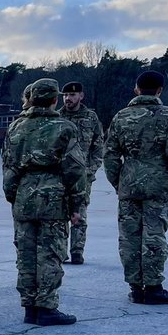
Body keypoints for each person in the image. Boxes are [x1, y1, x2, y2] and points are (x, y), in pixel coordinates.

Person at [1, 79, 86, 325]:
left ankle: (29, 306)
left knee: (26, 253)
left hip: (24, 195)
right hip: (53, 198)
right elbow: (75, 169)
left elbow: (8, 165)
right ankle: (46, 307)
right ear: (54, 100)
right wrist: (76, 204)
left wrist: (13, 195)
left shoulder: (16, 126)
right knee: (50, 253)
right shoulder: (65, 127)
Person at [103, 70, 168, 304]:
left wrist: (118, 182)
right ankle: (153, 287)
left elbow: (110, 155)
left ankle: (135, 287)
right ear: (160, 90)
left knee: (129, 237)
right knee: (154, 235)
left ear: (136, 89)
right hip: (158, 185)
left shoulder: (120, 117)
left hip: (129, 185)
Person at [57, 82, 105, 265]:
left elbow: (98, 147)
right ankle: (61, 251)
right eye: (65, 95)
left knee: (80, 213)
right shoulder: (58, 117)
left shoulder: (91, 117)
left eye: (72, 95)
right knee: (60, 214)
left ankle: (77, 251)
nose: (68, 98)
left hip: (82, 176)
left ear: (81, 96)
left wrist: (90, 171)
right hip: (60, 175)